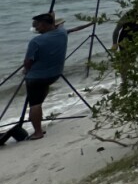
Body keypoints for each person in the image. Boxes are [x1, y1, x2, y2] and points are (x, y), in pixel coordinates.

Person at [23, 12, 92, 140]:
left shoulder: (36, 41)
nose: (36, 28)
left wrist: (26, 71)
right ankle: (35, 116)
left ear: (44, 24)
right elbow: (72, 28)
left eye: (38, 25)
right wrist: (91, 22)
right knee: (40, 94)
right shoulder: (62, 33)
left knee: (34, 103)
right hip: (54, 75)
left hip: (37, 77)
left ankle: (38, 132)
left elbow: (28, 62)